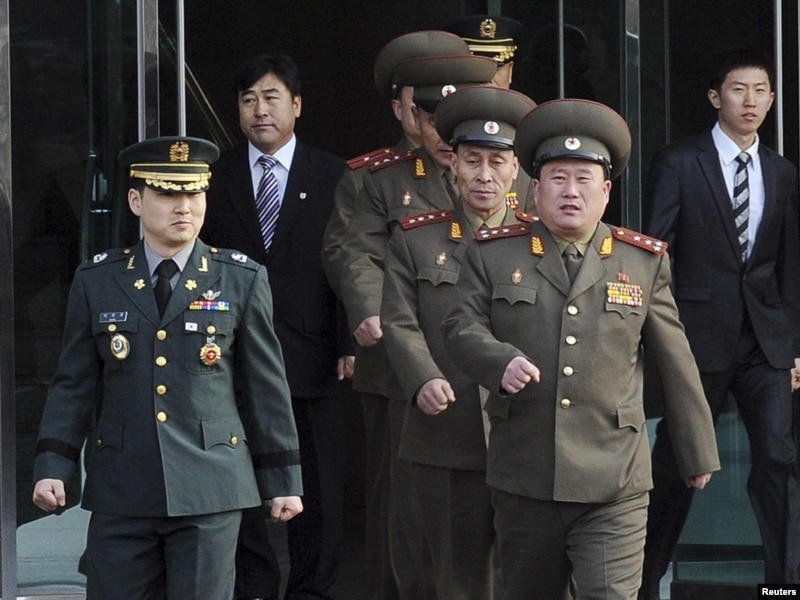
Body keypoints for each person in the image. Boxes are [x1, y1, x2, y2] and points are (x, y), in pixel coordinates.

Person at [441, 98, 720, 599]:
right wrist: (498, 361)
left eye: (584, 179)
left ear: (606, 190)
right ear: (536, 186)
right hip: (526, 475)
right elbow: (460, 327)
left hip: (615, 478)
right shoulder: (492, 254)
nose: (570, 192)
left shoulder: (641, 261)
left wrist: (696, 449)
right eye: (558, 178)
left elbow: (675, 360)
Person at [32, 136, 303, 600]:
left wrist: (283, 480)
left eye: (194, 192)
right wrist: (52, 465)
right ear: (136, 201)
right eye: (168, 193)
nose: (185, 206)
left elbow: (266, 389)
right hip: (123, 488)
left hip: (210, 489)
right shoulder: (98, 279)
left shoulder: (239, 278)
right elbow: (73, 384)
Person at [639, 47, 800, 598]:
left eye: (761, 91)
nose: (751, 101)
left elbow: (787, 262)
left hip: (765, 344)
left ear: (772, 100)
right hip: (695, 340)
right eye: (739, 89)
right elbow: (655, 252)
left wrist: (793, 345)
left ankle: (784, 585)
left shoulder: (781, 171)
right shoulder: (679, 161)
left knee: (779, 458)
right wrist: (658, 336)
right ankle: (641, 583)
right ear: (715, 98)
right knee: (677, 467)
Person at [320, 30, 472, 600]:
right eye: (427, 114)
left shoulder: (505, 169)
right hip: (400, 367)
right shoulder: (376, 175)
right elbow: (350, 251)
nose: (439, 131)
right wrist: (367, 310)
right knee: (399, 506)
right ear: (408, 112)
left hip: (484, 362)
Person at [200, 54, 349, 600]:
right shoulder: (214, 178)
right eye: (247, 100)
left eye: (270, 97)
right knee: (238, 483)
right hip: (232, 358)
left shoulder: (335, 175)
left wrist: (349, 341)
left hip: (314, 355)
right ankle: (255, 586)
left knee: (319, 490)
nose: (259, 110)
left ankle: (313, 590)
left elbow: (350, 264)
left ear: (297, 105)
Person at [381, 85, 536, 598]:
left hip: (529, 434)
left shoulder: (542, 240)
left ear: (516, 170)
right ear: (453, 164)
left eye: (498, 162)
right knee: (453, 577)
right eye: (473, 161)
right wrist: (422, 377)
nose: (484, 176)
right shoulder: (416, 237)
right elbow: (399, 320)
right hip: (447, 429)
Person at [443, 14, 526, 89]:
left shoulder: (522, 106)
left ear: (510, 71)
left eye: (496, 68)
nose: (488, 80)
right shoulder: (446, 106)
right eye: (476, 67)